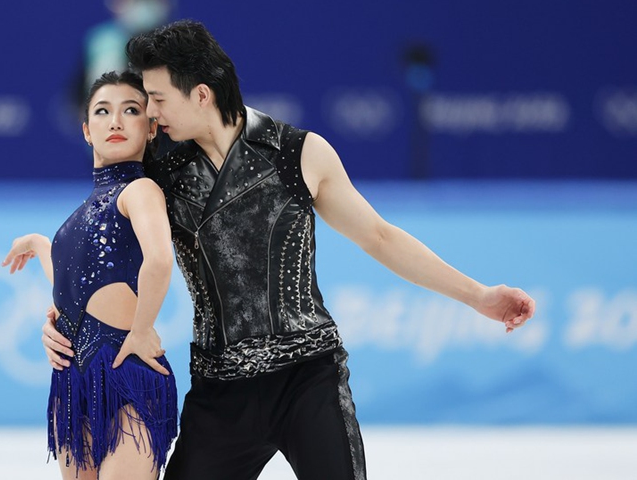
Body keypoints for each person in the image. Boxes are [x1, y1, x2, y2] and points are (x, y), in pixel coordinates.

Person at [41, 21, 536, 480]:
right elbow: (98, 247)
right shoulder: (160, 176)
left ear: (201, 94)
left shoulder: (298, 152)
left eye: (156, 99)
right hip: (220, 390)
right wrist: (62, 319)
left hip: (308, 380)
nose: (149, 113)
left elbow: (379, 237)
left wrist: (477, 296)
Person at [2, 71, 178, 480]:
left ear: (152, 128)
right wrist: (40, 244)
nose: (115, 121)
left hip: (124, 373)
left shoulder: (140, 190)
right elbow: (75, 282)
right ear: (86, 130)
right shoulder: (81, 212)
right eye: (103, 111)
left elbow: (159, 260)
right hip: (72, 381)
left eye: (130, 110)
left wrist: (142, 328)